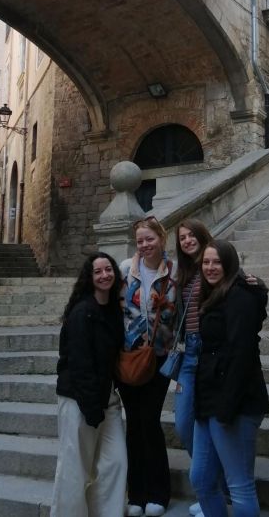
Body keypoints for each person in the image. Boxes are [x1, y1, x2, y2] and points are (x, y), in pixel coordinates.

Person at [189, 240, 269, 517]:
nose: (210, 267)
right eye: (206, 262)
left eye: (217, 262)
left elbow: (241, 354)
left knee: (239, 485)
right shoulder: (213, 294)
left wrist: (227, 407)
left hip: (235, 402)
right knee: (200, 478)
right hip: (209, 398)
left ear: (230, 264)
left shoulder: (240, 295)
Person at [50, 252, 127, 517]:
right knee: (74, 468)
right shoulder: (82, 312)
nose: (105, 275)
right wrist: (91, 407)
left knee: (116, 462)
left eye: (109, 269)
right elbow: (79, 363)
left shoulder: (114, 310)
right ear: (90, 277)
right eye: (98, 271)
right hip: (78, 400)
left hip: (107, 399)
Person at [119, 216, 178, 517]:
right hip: (129, 357)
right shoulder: (125, 271)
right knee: (134, 425)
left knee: (150, 422)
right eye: (140, 240)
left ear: (161, 239)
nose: (144, 245)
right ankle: (136, 494)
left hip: (159, 356)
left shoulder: (175, 272)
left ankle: (158, 492)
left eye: (149, 239)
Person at [173, 219, 213, 517]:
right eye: (182, 238)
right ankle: (210, 480)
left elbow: (241, 279)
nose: (187, 241)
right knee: (183, 424)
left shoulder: (215, 263)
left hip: (210, 352)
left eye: (190, 236)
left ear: (201, 236)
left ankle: (208, 490)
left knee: (206, 425)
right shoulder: (184, 273)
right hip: (188, 354)